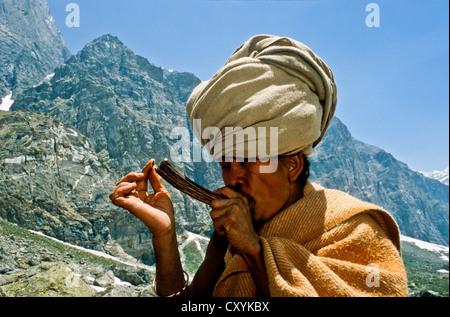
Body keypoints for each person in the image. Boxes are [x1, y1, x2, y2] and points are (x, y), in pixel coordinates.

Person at [109, 35, 408, 297]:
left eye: (249, 160)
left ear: (292, 164)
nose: (233, 177)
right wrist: (165, 234)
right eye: (226, 163)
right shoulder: (229, 238)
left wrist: (254, 252)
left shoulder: (355, 232)